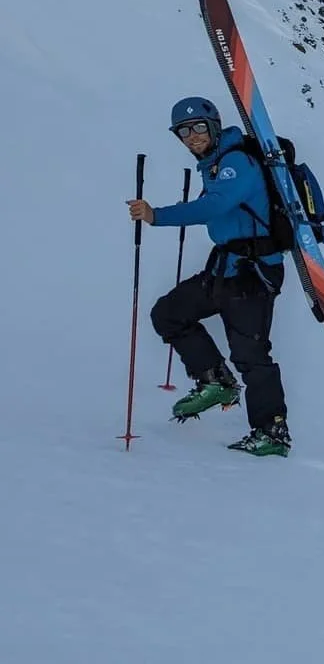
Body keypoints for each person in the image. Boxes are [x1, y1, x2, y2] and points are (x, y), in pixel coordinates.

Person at [125, 97, 291, 457]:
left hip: (252, 274)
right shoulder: (213, 164)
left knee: (251, 354)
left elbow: (215, 206)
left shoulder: (235, 162)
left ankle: (272, 433)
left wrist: (157, 216)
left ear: (214, 126)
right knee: (169, 313)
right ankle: (215, 379)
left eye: (198, 127)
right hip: (225, 268)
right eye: (183, 131)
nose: (192, 136)